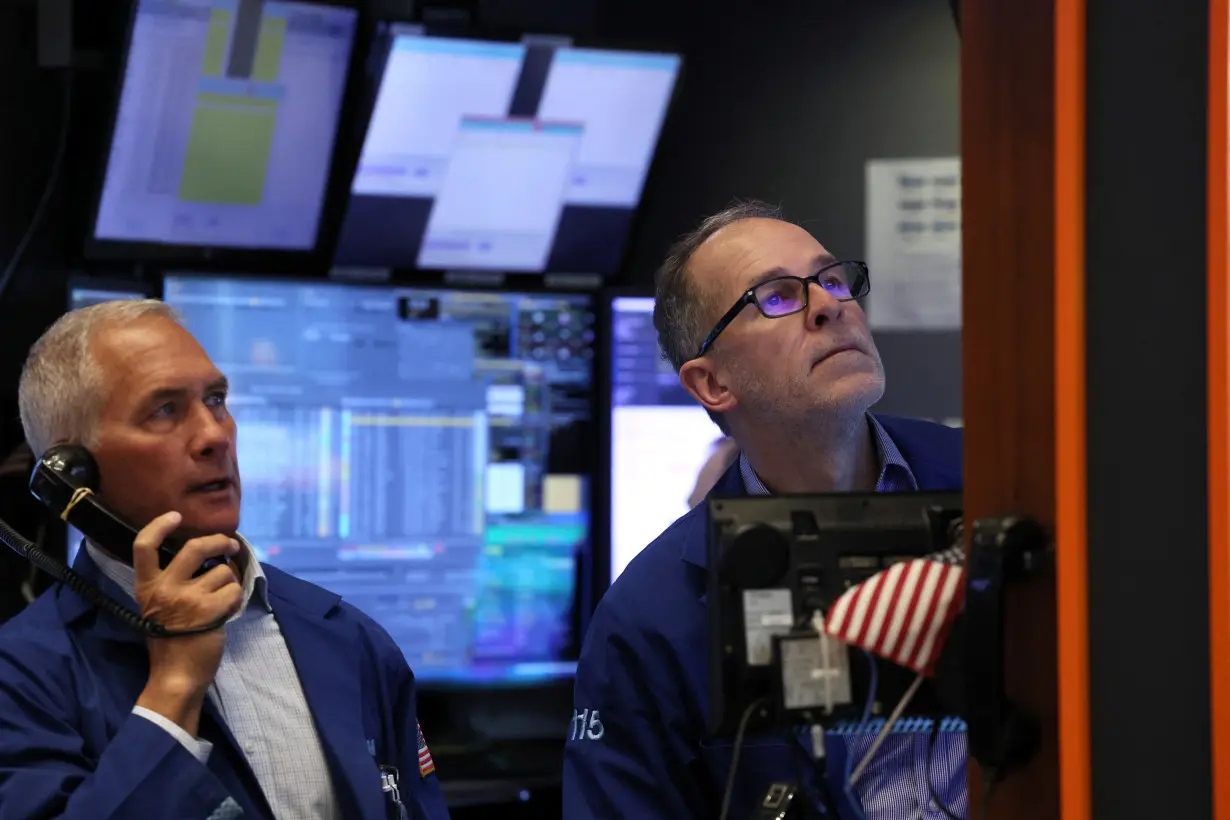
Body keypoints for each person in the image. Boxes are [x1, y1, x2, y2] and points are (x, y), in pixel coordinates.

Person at [563, 201, 964, 819]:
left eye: (831, 279)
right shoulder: (649, 618)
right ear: (712, 384)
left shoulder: (999, 483)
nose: (830, 304)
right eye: (776, 297)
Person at [0, 301, 451, 820]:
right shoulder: (22, 676)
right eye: (164, 410)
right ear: (71, 473)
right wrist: (172, 691)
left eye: (216, 399)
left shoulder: (347, 638)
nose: (215, 435)